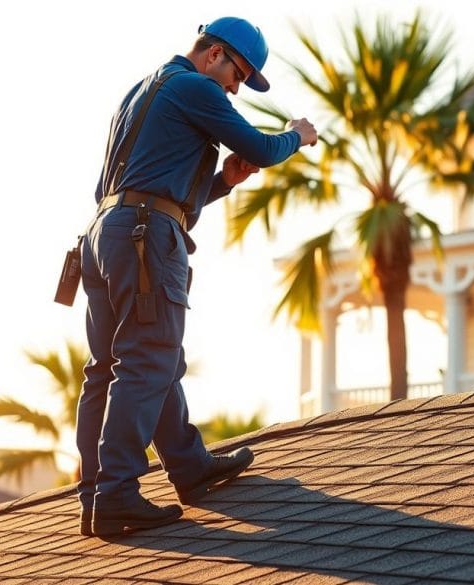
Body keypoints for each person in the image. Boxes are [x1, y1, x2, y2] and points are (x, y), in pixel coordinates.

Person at [75, 16, 318, 537]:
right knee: (149, 356)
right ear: (215, 55)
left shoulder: (142, 91)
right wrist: (296, 136)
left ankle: (148, 477)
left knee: (122, 363)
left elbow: (137, 185)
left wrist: (222, 183)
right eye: (239, 75)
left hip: (104, 235)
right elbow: (262, 148)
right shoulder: (195, 87)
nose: (235, 88)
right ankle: (117, 495)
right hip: (145, 237)